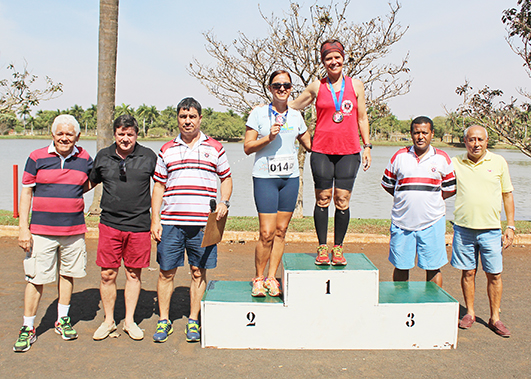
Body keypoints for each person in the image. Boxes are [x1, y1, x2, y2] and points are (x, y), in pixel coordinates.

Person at [151, 97, 232, 343]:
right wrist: (155, 219)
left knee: (198, 271)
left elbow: (226, 179)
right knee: (166, 272)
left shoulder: (215, 147)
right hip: (172, 222)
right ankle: (164, 320)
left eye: (192, 117)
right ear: (178, 118)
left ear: (199, 118)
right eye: (183, 117)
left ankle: (193, 320)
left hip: (203, 224)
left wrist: (224, 202)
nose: (187, 121)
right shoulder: (166, 149)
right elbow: (159, 186)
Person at [13, 115, 93, 352]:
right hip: (41, 231)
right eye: (60, 133)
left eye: (70, 134)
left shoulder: (86, 158)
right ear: (53, 134)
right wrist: (23, 228)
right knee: (36, 278)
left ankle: (62, 320)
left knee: (67, 275)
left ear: (77, 136)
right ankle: (28, 327)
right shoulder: (37, 157)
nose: (64, 138)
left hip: (73, 230)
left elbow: (88, 184)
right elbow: (26, 193)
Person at [289, 39, 372, 266]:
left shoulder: (356, 85)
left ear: (343, 58)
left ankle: (338, 248)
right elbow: (293, 107)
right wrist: (269, 107)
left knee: (342, 200)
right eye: (328, 58)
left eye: (337, 57)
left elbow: (362, 117)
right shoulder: (317, 87)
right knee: (323, 199)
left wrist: (367, 146)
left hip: (349, 151)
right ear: (323, 62)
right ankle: (322, 248)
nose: (333, 62)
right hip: (322, 150)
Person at [244, 70, 312, 297]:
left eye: (286, 85)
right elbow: (247, 147)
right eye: (277, 85)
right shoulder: (258, 114)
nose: (282, 89)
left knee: (281, 231)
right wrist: (268, 138)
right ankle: (258, 278)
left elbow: (310, 144)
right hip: (265, 178)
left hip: (289, 179)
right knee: (266, 232)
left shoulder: (296, 116)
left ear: (291, 88)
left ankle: (272, 277)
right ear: (270, 88)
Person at [89, 115, 157, 341]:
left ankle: (129, 321)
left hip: (139, 225)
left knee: (133, 273)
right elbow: (89, 182)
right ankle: (108, 321)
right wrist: (64, 198)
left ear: (136, 134)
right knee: (107, 274)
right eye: (121, 134)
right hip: (110, 224)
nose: (125, 138)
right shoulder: (103, 156)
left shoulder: (148, 157)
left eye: (130, 134)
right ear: (114, 134)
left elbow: (162, 186)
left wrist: (158, 218)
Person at [451, 125, 515, 337]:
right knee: (468, 272)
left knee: (494, 275)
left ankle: (495, 317)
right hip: (464, 229)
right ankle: (469, 313)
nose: (475, 144)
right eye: (471, 140)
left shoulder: (498, 162)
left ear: (487, 141)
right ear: (465, 141)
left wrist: (511, 226)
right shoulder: (455, 162)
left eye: (480, 139)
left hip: (491, 230)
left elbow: (507, 195)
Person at [381, 116, 456, 286]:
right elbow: (387, 184)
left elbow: (450, 189)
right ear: (411, 134)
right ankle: (400, 302)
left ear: (432, 134)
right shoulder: (399, 156)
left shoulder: (442, 158)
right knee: (401, 266)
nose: (420, 136)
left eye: (424, 132)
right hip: (402, 222)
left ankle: (434, 304)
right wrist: (405, 196)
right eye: (416, 133)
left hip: (432, 221)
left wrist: (430, 199)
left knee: (433, 267)